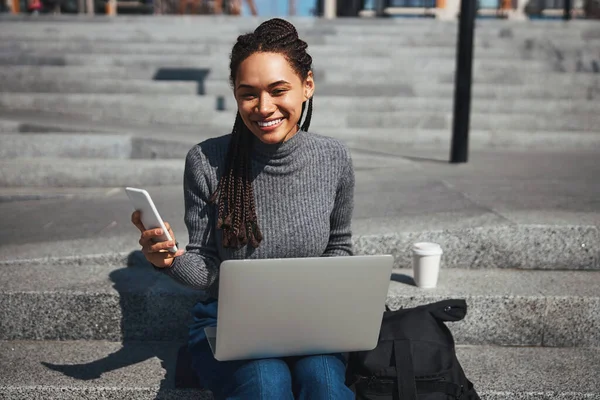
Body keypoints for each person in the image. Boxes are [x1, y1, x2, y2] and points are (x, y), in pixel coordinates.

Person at [131, 18, 355, 400]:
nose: (263, 107)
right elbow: (204, 263)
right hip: (229, 321)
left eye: (278, 90)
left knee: (325, 384)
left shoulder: (333, 158)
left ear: (308, 85)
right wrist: (167, 260)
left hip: (312, 321)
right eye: (248, 93)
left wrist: (328, 301)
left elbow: (340, 246)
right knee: (267, 384)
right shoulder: (207, 160)